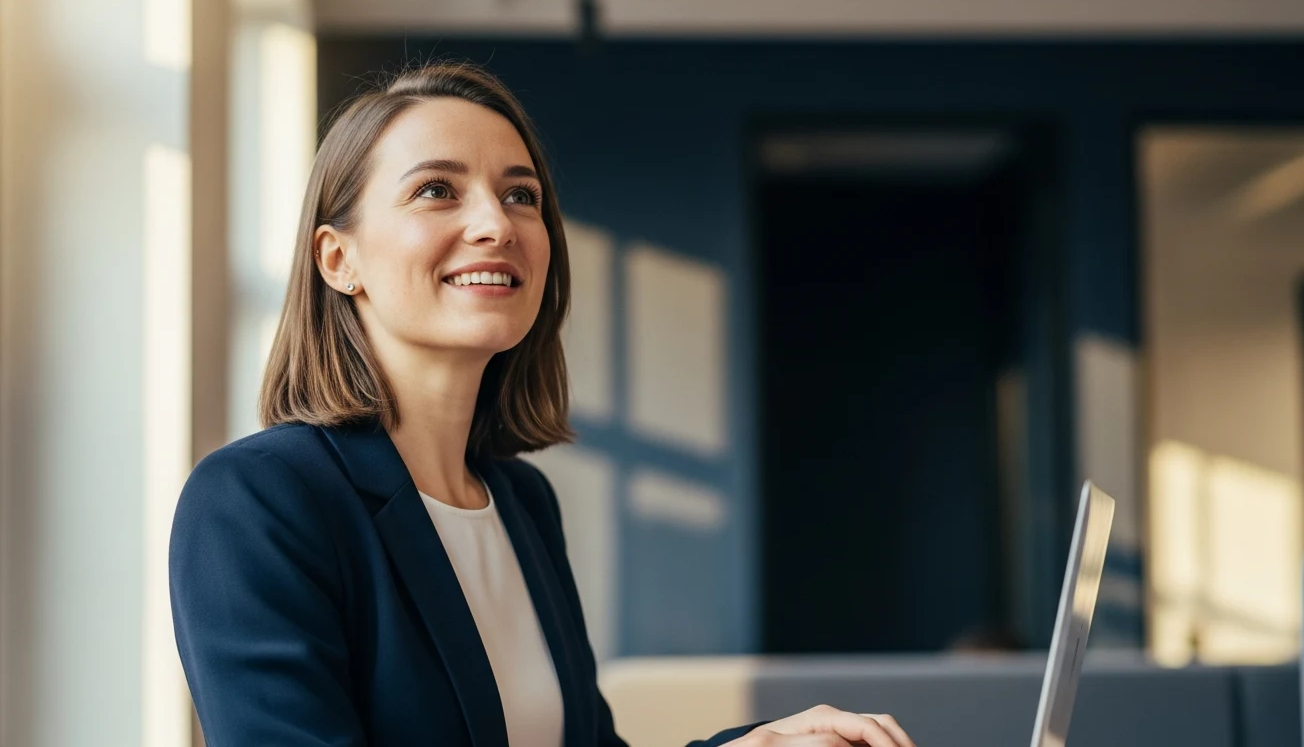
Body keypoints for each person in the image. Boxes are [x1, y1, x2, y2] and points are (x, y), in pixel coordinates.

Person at [168, 62, 918, 747]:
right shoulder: (257, 500)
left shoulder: (522, 502)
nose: (496, 224)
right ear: (340, 259)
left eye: (520, 194)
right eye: (437, 190)